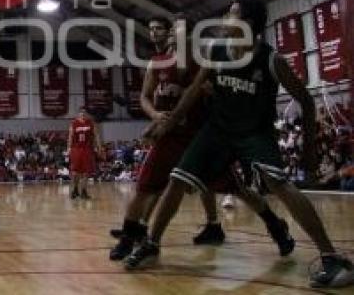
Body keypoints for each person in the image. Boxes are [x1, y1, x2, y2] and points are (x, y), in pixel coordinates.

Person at [125, 0, 354, 288]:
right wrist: (165, 125)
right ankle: (151, 243)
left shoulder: (271, 60)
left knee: (278, 183)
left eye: (231, 14)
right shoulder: (216, 52)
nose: (223, 18)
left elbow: (307, 103)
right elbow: (193, 93)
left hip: (254, 133)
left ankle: (332, 256)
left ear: (246, 24)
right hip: (217, 131)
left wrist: (308, 155)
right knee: (177, 179)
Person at [110, 17, 292, 260]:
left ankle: (274, 225)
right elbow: (144, 97)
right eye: (172, 30)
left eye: (179, 30)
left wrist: (211, 95)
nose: (173, 34)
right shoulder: (158, 62)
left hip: (200, 136)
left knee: (236, 189)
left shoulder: (205, 61)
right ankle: (129, 239)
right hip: (170, 136)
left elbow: (217, 93)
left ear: (190, 37)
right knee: (145, 187)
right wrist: (156, 117)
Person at [68, 107, 100, 199]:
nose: (83, 114)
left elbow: (96, 135)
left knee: (86, 172)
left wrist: (99, 147)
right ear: (78, 114)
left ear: (87, 114)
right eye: (81, 113)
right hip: (76, 149)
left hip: (87, 149)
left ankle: (84, 191)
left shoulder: (90, 123)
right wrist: (68, 148)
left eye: (84, 113)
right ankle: (75, 190)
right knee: (75, 172)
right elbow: (70, 136)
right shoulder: (74, 123)